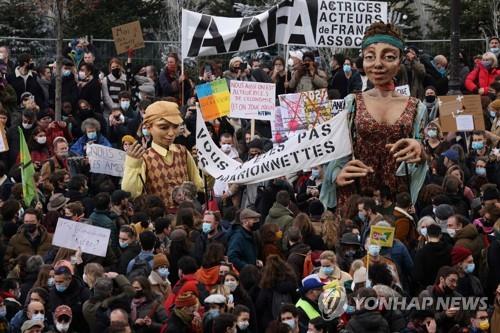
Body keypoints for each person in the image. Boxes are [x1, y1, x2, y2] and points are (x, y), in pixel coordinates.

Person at [321, 22, 428, 213]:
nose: (378, 64)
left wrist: (420, 151)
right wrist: (336, 173)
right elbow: (335, 150)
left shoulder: (416, 107)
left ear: (400, 59)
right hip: (356, 196)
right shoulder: (351, 102)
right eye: (370, 56)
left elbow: (424, 152)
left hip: (397, 198)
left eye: (388, 57)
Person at [122, 101, 203, 210]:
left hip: (187, 216)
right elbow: (131, 194)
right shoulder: (144, 158)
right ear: (148, 127)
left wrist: (208, 169)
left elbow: (200, 186)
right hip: (160, 221)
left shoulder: (183, 151)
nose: (171, 133)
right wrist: (132, 166)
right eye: (164, 127)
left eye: (175, 127)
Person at [49, 265, 90, 332]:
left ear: (69, 279)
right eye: (56, 281)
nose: (57, 284)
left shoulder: (83, 293)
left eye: (60, 282)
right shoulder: (52, 293)